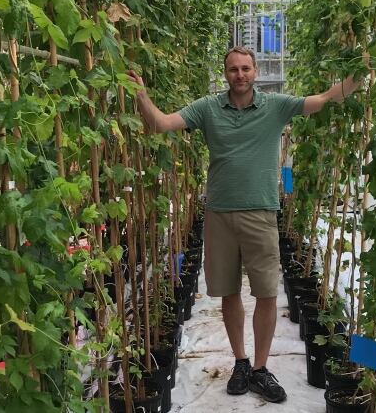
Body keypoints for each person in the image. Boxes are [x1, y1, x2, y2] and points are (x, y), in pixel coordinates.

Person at [127, 46, 360, 403]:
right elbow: (160, 124)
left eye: (246, 68)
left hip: (261, 214)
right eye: (234, 69)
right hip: (218, 215)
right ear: (226, 74)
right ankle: (240, 361)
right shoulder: (207, 108)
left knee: (266, 293)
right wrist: (141, 95)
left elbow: (326, 98)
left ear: (255, 72)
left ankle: (261, 368)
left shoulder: (275, 106)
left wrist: (361, 72)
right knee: (229, 292)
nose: (240, 74)